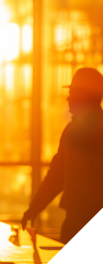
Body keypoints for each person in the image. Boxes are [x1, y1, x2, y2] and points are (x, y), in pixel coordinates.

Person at [22, 67, 103, 244]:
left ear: (86, 95)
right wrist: (35, 207)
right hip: (75, 217)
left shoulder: (82, 131)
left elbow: (56, 175)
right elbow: (57, 174)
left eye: (73, 92)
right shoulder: (72, 131)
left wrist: (35, 207)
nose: (68, 98)